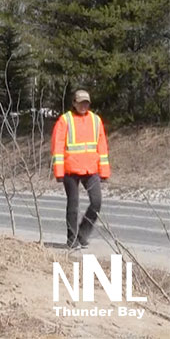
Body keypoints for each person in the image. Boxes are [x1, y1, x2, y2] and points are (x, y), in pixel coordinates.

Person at [51, 89, 110, 249]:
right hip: (70, 171)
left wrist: (104, 171)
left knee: (96, 202)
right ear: (74, 103)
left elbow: (102, 147)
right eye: (80, 102)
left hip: (91, 170)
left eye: (86, 102)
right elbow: (57, 146)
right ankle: (72, 239)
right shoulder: (65, 120)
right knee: (73, 204)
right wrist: (59, 171)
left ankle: (82, 233)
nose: (84, 105)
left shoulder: (96, 120)